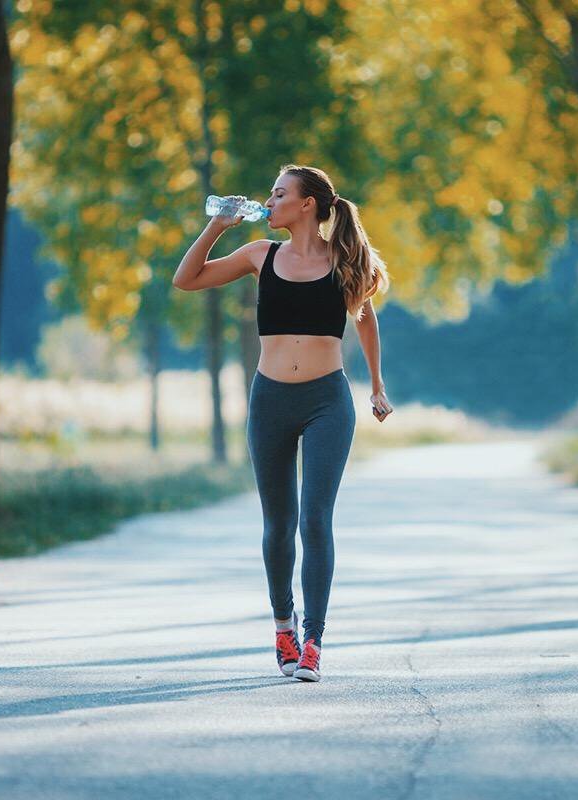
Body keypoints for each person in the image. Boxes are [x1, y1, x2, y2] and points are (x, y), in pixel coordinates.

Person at [173, 163, 393, 682]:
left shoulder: (344, 260)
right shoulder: (260, 255)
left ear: (307, 204)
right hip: (270, 400)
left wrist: (377, 385)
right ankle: (283, 627)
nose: (268, 203)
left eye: (278, 194)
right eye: (270, 195)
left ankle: (313, 641)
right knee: (279, 524)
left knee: (315, 520)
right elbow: (186, 280)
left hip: (327, 402)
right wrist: (216, 225)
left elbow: (365, 318)